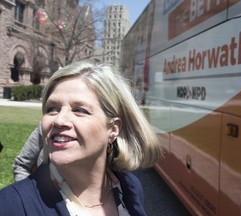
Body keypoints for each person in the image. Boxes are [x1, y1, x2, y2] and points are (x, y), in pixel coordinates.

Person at [0, 61, 163, 216]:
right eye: (52, 109)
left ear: (113, 129)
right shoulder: (10, 205)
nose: (59, 120)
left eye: (80, 110)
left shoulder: (130, 187)